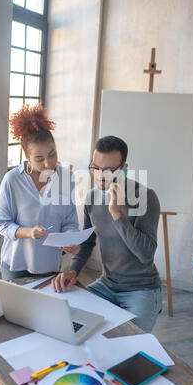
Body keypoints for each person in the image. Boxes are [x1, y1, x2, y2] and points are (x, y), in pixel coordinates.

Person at [52, 135, 162, 333]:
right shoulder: (92, 197)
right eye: (96, 168)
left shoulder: (146, 197)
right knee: (66, 319)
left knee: (128, 342)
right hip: (107, 284)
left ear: (124, 168)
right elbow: (87, 243)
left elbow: (145, 254)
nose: (101, 176)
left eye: (109, 170)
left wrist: (116, 213)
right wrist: (73, 271)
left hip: (142, 289)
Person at [0, 104, 80, 281]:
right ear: (27, 156)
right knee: (14, 310)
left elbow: (70, 221)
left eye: (52, 154)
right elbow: (2, 223)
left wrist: (71, 240)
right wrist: (28, 232)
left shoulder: (66, 178)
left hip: (50, 266)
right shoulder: (12, 180)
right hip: (16, 266)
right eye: (39, 159)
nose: (48, 163)